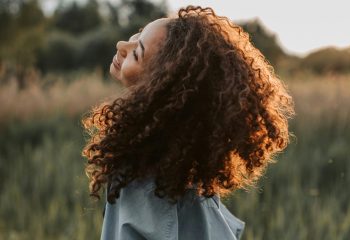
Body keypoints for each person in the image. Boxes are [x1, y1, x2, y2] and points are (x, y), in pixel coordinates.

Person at [82, 5, 295, 240]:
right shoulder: (169, 159)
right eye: (138, 35)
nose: (122, 46)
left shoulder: (148, 170)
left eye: (137, 52)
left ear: (160, 86)